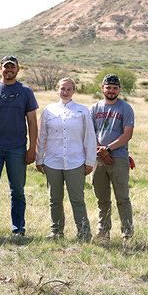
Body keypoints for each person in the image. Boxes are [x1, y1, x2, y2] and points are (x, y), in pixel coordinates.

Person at [0, 55, 38, 237]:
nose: (9, 70)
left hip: (17, 148)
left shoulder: (26, 92)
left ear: (18, 69)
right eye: (6, 67)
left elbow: (32, 123)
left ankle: (18, 229)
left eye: (13, 67)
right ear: (0, 68)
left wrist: (32, 148)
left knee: (17, 190)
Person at [36, 78, 96, 241]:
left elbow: (90, 137)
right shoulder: (49, 110)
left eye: (69, 89)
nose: (66, 92)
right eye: (63, 89)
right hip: (52, 161)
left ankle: (84, 233)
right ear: (57, 90)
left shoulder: (82, 111)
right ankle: (56, 232)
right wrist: (38, 158)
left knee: (77, 199)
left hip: (75, 162)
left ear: (74, 91)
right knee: (54, 199)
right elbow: (42, 135)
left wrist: (90, 161)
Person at [89, 74, 135, 242]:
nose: (111, 90)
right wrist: (100, 151)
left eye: (115, 88)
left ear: (119, 89)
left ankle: (127, 234)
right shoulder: (94, 108)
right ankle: (103, 232)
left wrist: (108, 149)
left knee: (122, 198)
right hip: (98, 158)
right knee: (102, 199)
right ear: (102, 88)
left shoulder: (125, 108)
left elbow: (127, 134)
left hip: (120, 157)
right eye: (108, 87)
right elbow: (89, 133)